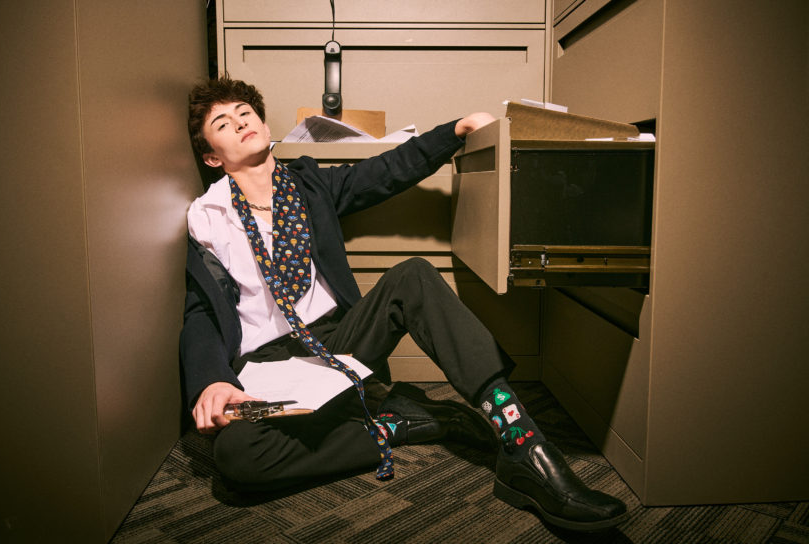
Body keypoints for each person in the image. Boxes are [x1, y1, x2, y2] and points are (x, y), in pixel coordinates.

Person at [180, 76, 629, 531]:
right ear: (212, 156)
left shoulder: (309, 185)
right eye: (223, 122)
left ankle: (523, 444)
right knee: (237, 459)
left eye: (245, 113)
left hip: (339, 339)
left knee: (413, 275)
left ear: (262, 123)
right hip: (268, 364)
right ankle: (398, 424)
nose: (239, 123)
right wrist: (210, 383)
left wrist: (456, 129)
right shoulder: (207, 217)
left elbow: (387, 169)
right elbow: (200, 309)